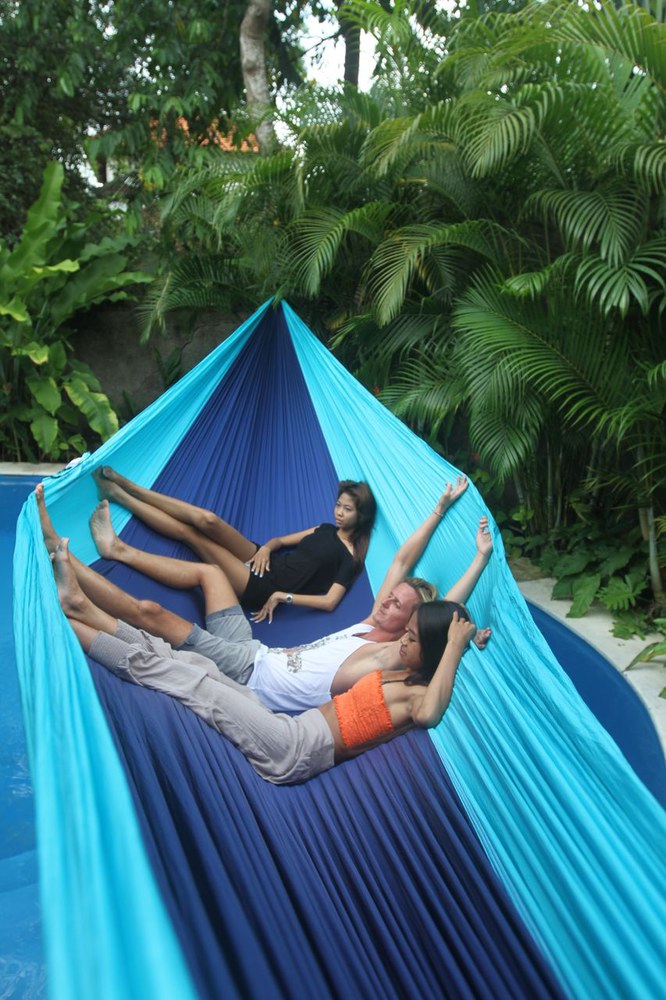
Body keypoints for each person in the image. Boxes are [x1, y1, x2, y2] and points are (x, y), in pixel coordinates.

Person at [51, 535, 478, 785]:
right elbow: (428, 611)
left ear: (433, 650)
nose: (404, 638)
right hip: (287, 725)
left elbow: (430, 711)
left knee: (188, 680)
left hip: (293, 749)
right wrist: (470, 593)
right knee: (195, 667)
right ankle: (82, 608)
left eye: (412, 637)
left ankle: (71, 619)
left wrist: (457, 646)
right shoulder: (397, 655)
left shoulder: (414, 689)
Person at [37, 480, 492, 712]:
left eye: (398, 606)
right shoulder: (370, 622)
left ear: (414, 625)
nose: (387, 600)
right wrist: (439, 510)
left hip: (251, 677)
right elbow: (402, 561)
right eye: (391, 597)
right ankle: (116, 550)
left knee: (150, 612)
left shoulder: (390, 656)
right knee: (209, 573)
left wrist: (478, 564)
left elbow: (444, 619)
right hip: (256, 652)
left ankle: (63, 557)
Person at [93, 467, 377, 621]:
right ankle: (133, 487)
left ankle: (119, 496)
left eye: (347, 509)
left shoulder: (350, 557)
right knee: (208, 520)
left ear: (361, 515)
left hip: (262, 587)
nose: (339, 513)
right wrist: (266, 548)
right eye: (338, 505)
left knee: (191, 535)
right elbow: (280, 541)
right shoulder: (324, 528)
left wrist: (283, 597)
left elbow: (329, 602)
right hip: (263, 560)